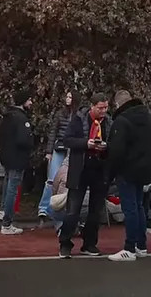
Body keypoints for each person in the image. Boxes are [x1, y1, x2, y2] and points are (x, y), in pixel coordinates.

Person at [106, 89, 151, 261]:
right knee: (139, 207)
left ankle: (129, 247)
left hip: (127, 170)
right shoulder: (150, 119)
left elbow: (116, 151)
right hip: (144, 170)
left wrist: (109, 174)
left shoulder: (121, 121)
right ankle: (141, 245)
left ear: (118, 103)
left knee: (130, 209)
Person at [58, 94, 112, 259]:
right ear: (92, 106)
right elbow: (67, 140)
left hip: (99, 169)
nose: (103, 111)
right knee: (72, 210)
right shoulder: (79, 119)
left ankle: (89, 243)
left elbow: (113, 142)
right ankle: (65, 243)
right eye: (100, 108)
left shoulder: (108, 122)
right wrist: (85, 143)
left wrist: (106, 146)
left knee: (95, 211)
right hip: (80, 169)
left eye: (105, 108)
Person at [0, 90, 35, 235]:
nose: (31, 103)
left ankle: (3, 211)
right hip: (17, 158)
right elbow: (24, 140)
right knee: (13, 188)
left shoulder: (7, 116)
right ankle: (7, 223)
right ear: (23, 101)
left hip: (6, 156)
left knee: (7, 183)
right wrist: (31, 141)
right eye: (29, 100)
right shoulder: (21, 119)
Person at [38, 92, 77, 225]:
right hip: (59, 147)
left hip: (71, 149)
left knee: (67, 180)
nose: (67, 99)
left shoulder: (79, 115)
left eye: (70, 97)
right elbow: (53, 131)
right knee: (51, 179)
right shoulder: (60, 113)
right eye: (66, 96)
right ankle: (44, 208)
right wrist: (49, 151)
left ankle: (60, 208)